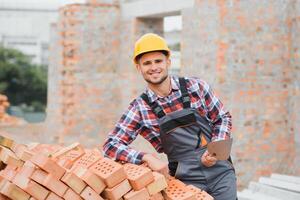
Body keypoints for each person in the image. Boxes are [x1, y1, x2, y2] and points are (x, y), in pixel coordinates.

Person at [103, 33, 237, 199]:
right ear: (139, 68)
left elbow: (222, 118)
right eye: (147, 63)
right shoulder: (140, 108)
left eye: (158, 61)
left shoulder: (196, 87)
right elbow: (110, 145)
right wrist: (146, 157)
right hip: (185, 181)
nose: (153, 67)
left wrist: (215, 149)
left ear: (168, 61)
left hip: (220, 173)